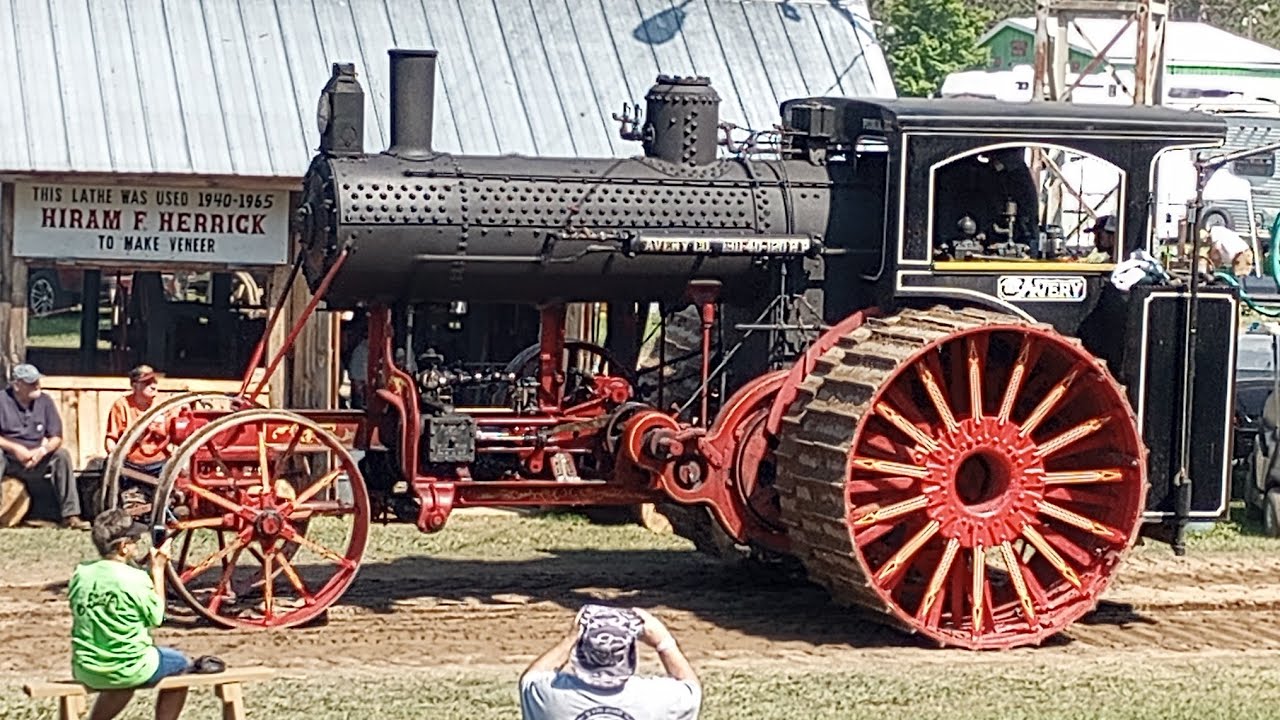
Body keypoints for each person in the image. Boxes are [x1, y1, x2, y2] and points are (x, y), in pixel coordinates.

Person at [69, 509, 189, 720]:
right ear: (124, 547)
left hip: (86, 667)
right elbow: (157, 617)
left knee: (120, 679)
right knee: (180, 664)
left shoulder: (81, 574)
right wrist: (158, 570)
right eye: (134, 539)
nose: (137, 543)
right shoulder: (134, 578)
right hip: (129, 667)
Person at [519, 604, 701, 720]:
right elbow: (691, 689)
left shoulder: (547, 695)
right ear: (629, 655)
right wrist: (664, 642)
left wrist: (571, 638)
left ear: (580, 653)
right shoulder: (655, 698)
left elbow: (532, 677)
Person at [0, 363, 85, 529]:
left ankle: (71, 515)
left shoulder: (44, 401)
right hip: (9, 459)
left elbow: (56, 437)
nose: (37, 385)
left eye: (38, 381)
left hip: (37, 457)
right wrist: (16, 449)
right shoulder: (2, 401)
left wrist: (41, 451)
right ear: (17, 385)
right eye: (32, 383)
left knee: (62, 455)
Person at [104, 365, 169, 477]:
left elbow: (177, 435)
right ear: (135, 386)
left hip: (159, 463)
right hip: (130, 463)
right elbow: (111, 439)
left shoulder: (165, 406)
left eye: (154, 381)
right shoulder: (121, 405)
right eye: (147, 383)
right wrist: (114, 457)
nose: (153, 386)